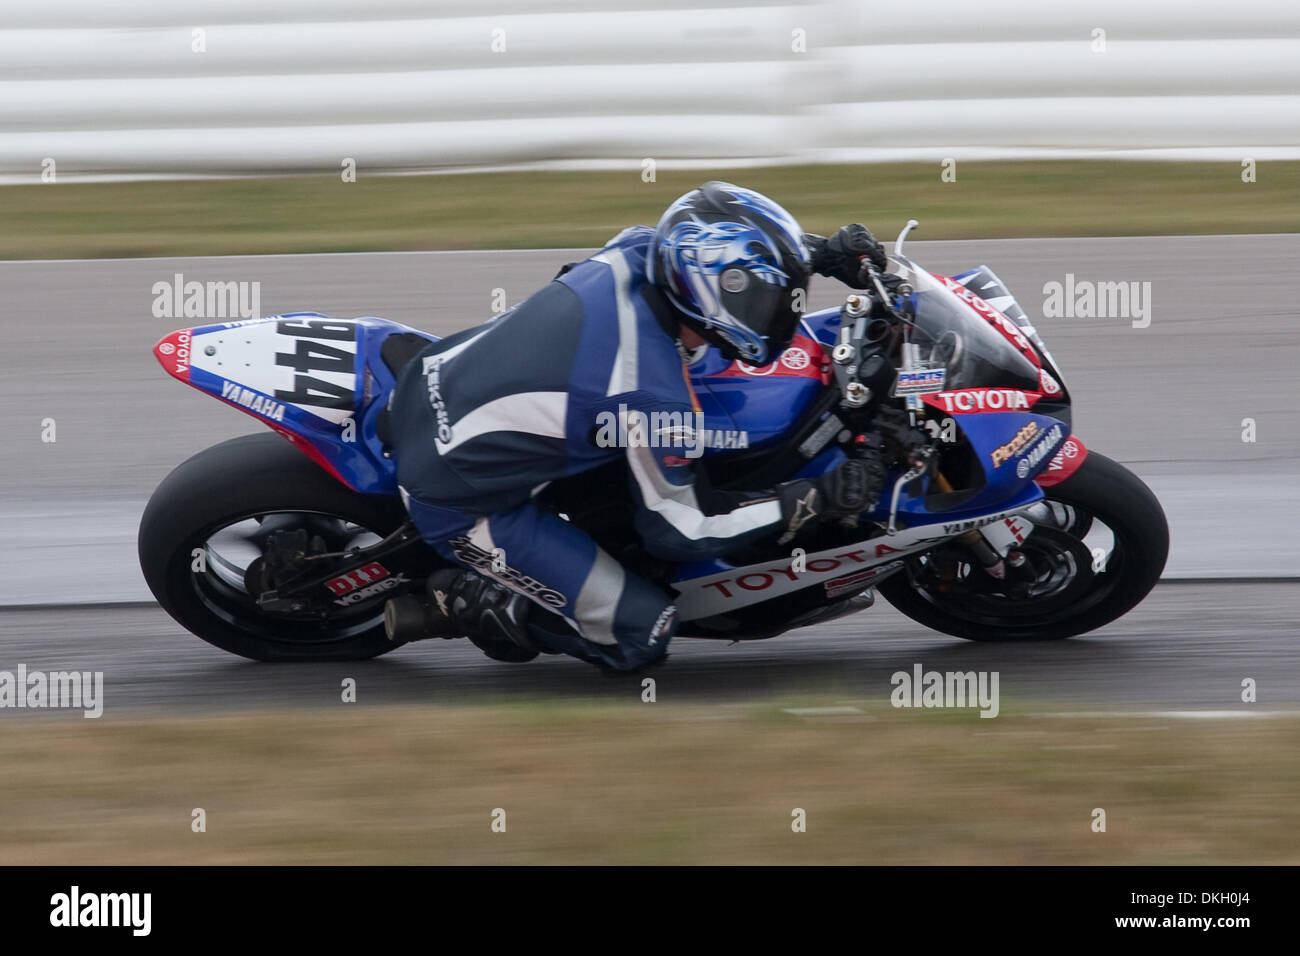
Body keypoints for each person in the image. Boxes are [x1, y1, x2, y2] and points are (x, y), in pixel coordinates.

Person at [383, 181, 887, 671]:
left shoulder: (639, 249)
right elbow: (684, 530)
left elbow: (711, 257)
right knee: (644, 632)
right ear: (716, 297)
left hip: (436, 374)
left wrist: (822, 255)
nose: (779, 311)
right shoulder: (650, 395)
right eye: (765, 300)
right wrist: (815, 497)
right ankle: (479, 600)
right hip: (459, 496)